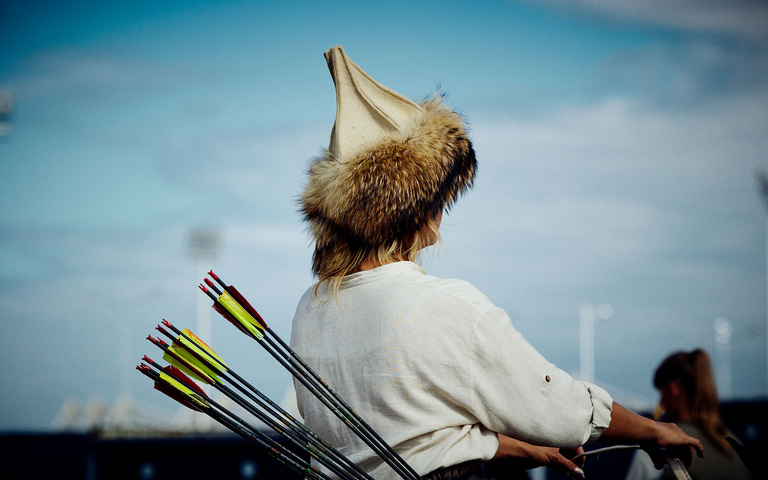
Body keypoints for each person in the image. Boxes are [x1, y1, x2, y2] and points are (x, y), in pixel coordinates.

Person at [291, 45, 703, 480]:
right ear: (411, 208)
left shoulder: (309, 309)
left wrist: (515, 448)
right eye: (439, 197)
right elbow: (558, 408)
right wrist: (652, 429)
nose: (442, 212)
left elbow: (407, 437)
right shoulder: (441, 304)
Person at [625, 349, 755, 480]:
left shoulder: (656, 449)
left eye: (662, 395)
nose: (661, 403)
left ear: (673, 390)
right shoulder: (739, 450)